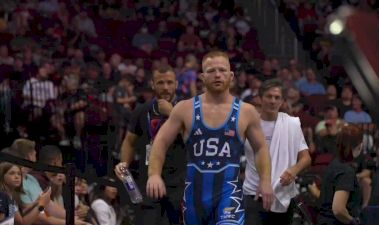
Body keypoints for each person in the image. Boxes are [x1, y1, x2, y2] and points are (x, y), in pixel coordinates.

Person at [146, 51, 273, 225]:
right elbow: (160, 141)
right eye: (211, 70)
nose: (218, 75)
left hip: (229, 193)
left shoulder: (247, 111)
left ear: (231, 75)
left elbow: (261, 148)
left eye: (222, 70)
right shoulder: (185, 108)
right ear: (202, 77)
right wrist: (154, 174)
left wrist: (265, 180)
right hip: (193, 197)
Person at [114, 66, 186, 225]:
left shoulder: (187, 108)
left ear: (176, 84)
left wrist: (172, 113)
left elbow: (194, 137)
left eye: (169, 82)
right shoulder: (142, 110)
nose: (165, 87)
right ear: (153, 84)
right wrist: (124, 163)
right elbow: (129, 141)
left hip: (178, 182)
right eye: (160, 83)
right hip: (149, 180)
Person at [243, 79, 311, 225]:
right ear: (260, 98)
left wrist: (294, 170)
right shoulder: (248, 124)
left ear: (282, 101)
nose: (273, 101)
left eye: (277, 97)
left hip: (283, 192)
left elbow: (306, 158)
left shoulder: (291, 124)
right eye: (269, 96)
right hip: (254, 193)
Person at [310, 124, 363, 225]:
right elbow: (338, 209)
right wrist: (353, 222)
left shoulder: (334, 164)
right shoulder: (346, 171)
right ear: (359, 146)